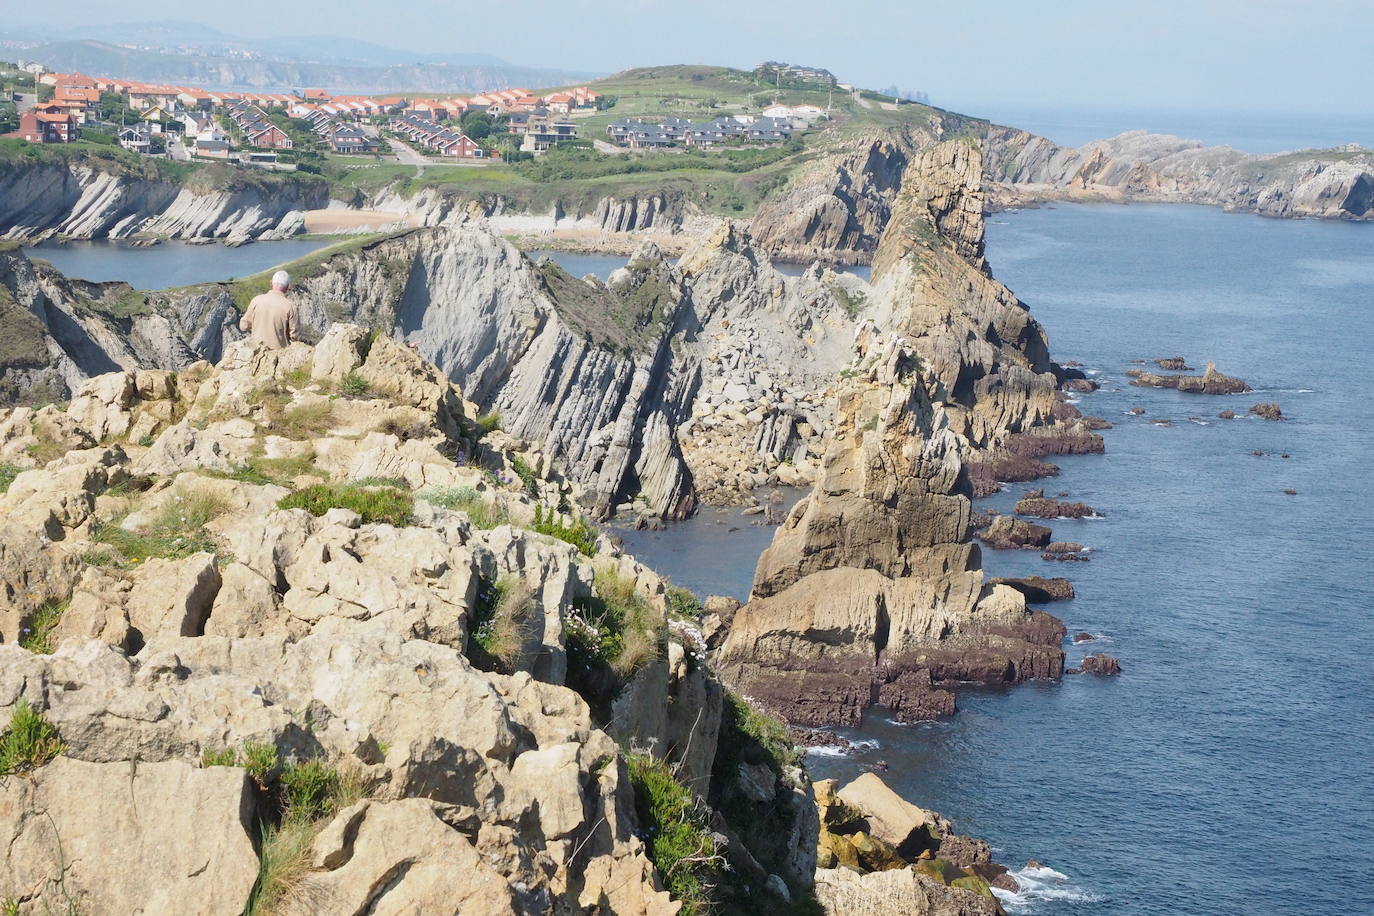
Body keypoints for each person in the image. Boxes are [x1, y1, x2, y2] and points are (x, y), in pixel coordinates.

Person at [239, 270, 299, 349]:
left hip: (256, 350)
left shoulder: (256, 301)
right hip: (278, 354)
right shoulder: (290, 307)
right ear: (288, 286)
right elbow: (295, 336)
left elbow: (243, 326)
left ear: (271, 283)